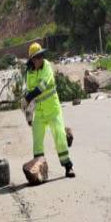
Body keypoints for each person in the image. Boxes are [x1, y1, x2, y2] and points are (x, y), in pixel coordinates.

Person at [23, 43, 74, 178]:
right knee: (37, 140)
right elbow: (29, 94)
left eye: (41, 56)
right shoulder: (29, 73)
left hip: (53, 110)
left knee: (59, 137)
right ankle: (39, 168)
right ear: (32, 59)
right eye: (37, 57)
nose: (40, 59)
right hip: (39, 113)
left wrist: (28, 97)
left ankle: (68, 166)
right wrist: (29, 116)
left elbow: (42, 86)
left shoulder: (47, 67)